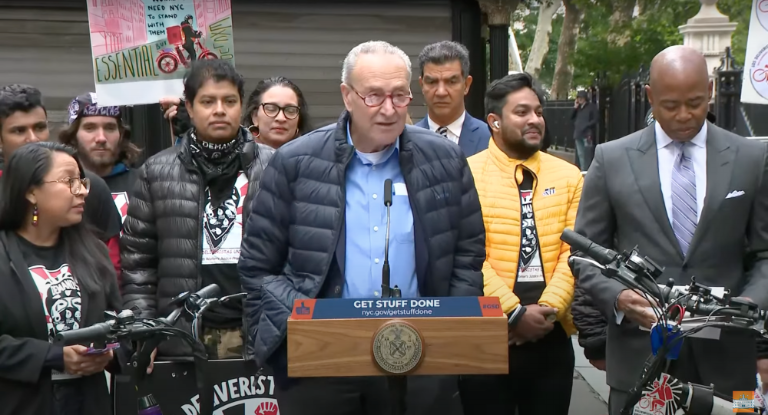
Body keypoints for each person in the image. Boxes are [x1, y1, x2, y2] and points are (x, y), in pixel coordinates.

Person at [239, 40, 485, 415]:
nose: (388, 109)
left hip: (421, 354)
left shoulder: (445, 159)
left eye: (399, 96)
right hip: (321, 360)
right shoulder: (296, 162)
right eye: (373, 96)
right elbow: (259, 264)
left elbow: (468, 252)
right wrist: (287, 333)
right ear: (347, 96)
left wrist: (449, 326)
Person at [571, 45, 768, 414]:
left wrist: (749, 305)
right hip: (639, 358)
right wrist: (619, 299)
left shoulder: (751, 159)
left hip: (730, 359)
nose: (683, 116)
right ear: (650, 96)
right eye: (669, 105)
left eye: (694, 103)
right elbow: (584, 253)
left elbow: (764, 253)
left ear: (710, 90)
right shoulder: (611, 158)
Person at [120, 59, 274, 365]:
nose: (219, 109)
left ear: (241, 106)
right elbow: (138, 263)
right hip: (181, 336)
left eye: (229, 101)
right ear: (189, 108)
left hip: (260, 333)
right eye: (207, 101)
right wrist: (143, 328)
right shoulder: (157, 171)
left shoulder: (275, 167)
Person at [458, 73, 581, 415]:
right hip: (487, 331)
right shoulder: (466, 173)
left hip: (550, 332)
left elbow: (575, 252)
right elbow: (467, 255)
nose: (535, 120)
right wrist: (512, 313)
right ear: (494, 122)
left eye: (538, 112)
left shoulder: (568, 174)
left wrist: (547, 310)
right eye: (522, 112)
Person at [0, 142, 121, 415]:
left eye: (81, 181)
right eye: (69, 181)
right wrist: (53, 357)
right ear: (31, 191)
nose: (82, 191)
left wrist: (112, 353)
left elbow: (118, 319)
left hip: (88, 402)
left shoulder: (95, 252)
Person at [0, 84, 123, 276]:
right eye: (19, 131)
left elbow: (114, 267)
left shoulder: (90, 187)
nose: (33, 138)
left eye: (40, 127)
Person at [58, 92, 141, 227]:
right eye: (90, 128)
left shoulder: (144, 184)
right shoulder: (59, 188)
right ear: (73, 136)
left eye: (110, 128)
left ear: (121, 135)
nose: (101, 138)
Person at [415, 41, 490, 157]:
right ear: (422, 85)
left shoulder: (490, 139)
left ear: (466, 85)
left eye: (451, 82)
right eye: (432, 82)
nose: (441, 92)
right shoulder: (405, 141)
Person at [241, 76, 311, 148]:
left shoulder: (313, 154)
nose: (281, 118)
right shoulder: (236, 155)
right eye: (271, 109)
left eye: (290, 110)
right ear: (255, 116)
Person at [571, 90, 596, 170]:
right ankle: (583, 171)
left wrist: (586, 126)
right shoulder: (578, 108)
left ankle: (588, 172)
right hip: (578, 134)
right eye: (578, 98)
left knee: (588, 155)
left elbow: (596, 119)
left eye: (581, 98)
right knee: (581, 154)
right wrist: (575, 108)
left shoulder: (591, 107)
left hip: (587, 134)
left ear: (585, 98)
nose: (579, 99)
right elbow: (571, 117)